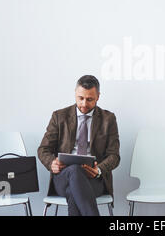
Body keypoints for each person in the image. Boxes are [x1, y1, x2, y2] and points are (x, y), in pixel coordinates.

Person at [37, 75, 120, 216]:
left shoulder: (108, 119)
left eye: (89, 99)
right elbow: (43, 149)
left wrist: (98, 169)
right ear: (75, 93)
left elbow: (114, 156)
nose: (84, 104)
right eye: (80, 98)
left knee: (73, 192)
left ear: (98, 97)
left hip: (93, 180)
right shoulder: (59, 116)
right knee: (75, 170)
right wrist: (52, 163)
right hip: (63, 177)